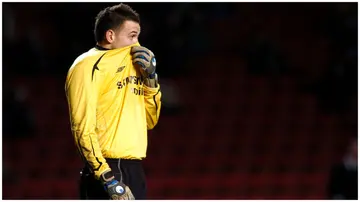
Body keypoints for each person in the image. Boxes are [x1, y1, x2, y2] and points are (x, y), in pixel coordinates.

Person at [65, 3, 161, 200]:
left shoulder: (134, 66)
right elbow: (82, 128)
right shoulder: (87, 65)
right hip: (107, 169)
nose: (138, 44)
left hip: (134, 169)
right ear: (110, 36)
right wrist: (107, 177)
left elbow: (150, 121)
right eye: (132, 36)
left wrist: (151, 81)